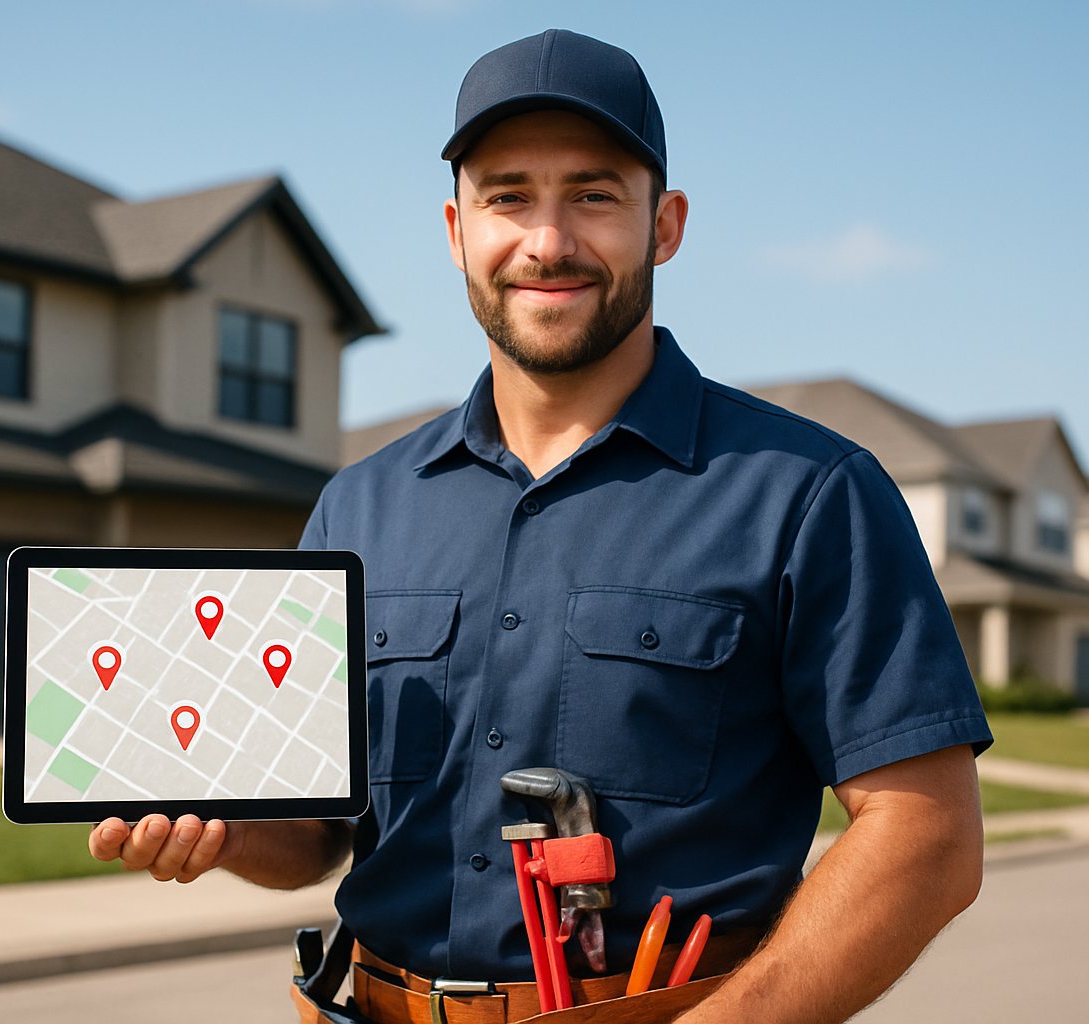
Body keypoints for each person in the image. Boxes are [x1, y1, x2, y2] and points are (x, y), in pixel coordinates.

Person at [90, 29, 993, 1023]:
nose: (548, 240)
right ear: (455, 229)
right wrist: (213, 830)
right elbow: (311, 835)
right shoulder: (359, 504)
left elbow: (928, 835)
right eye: (508, 195)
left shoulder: (809, 492)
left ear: (666, 224)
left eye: (594, 195)